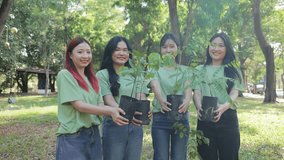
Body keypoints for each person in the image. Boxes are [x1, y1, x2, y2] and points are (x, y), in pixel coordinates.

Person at [56, 37, 128, 160]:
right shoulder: (65, 75)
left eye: (88, 52)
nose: (85, 56)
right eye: (80, 52)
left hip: (94, 135)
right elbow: (79, 105)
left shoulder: (93, 79)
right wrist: (111, 111)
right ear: (70, 55)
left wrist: (122, 111)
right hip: (73, 137)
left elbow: (100, 105)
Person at [96, 36, 148, 160]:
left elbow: (140, 95)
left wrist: (144, 111)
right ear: (110, 52)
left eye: (125, 50)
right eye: (117, 49)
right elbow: (108, 99)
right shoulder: (102, 74)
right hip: (115, 124)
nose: (122, 53)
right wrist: (127, 114)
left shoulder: (136, 74)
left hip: (135, 126)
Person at [193, 32, 244, 160]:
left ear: (227, 48)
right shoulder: (199, 69)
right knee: (206, 156)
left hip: (228, 119)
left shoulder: (233, 70)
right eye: (213, 45)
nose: (215, 48)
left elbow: (234, 92)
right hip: (205, 117)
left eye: (220, 45)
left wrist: (222, 107)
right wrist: (199, 106)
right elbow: (197, 91)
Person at [149, 33, 192, 160]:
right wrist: (161, 100)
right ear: (161, 50)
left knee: (179, 156)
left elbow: (188, 89)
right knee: (160, 156)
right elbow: (155, 86)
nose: (168, 50)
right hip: (160, 117)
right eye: (164, 47)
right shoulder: (154, 69)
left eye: (172, 46)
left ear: (178, 48)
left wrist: (187, 100)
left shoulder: (185, 70)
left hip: (181, 117)